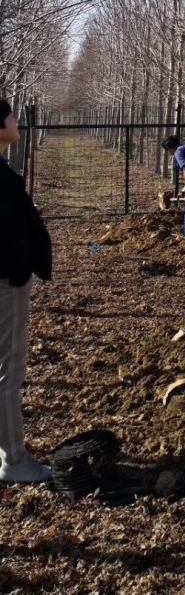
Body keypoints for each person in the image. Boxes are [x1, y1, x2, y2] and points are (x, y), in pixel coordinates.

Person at [0, 98, 52, 483]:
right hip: (5, 281)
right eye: (10, 114)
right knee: (8, 371)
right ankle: (14, 461)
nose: (16, 118)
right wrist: (20, 272)